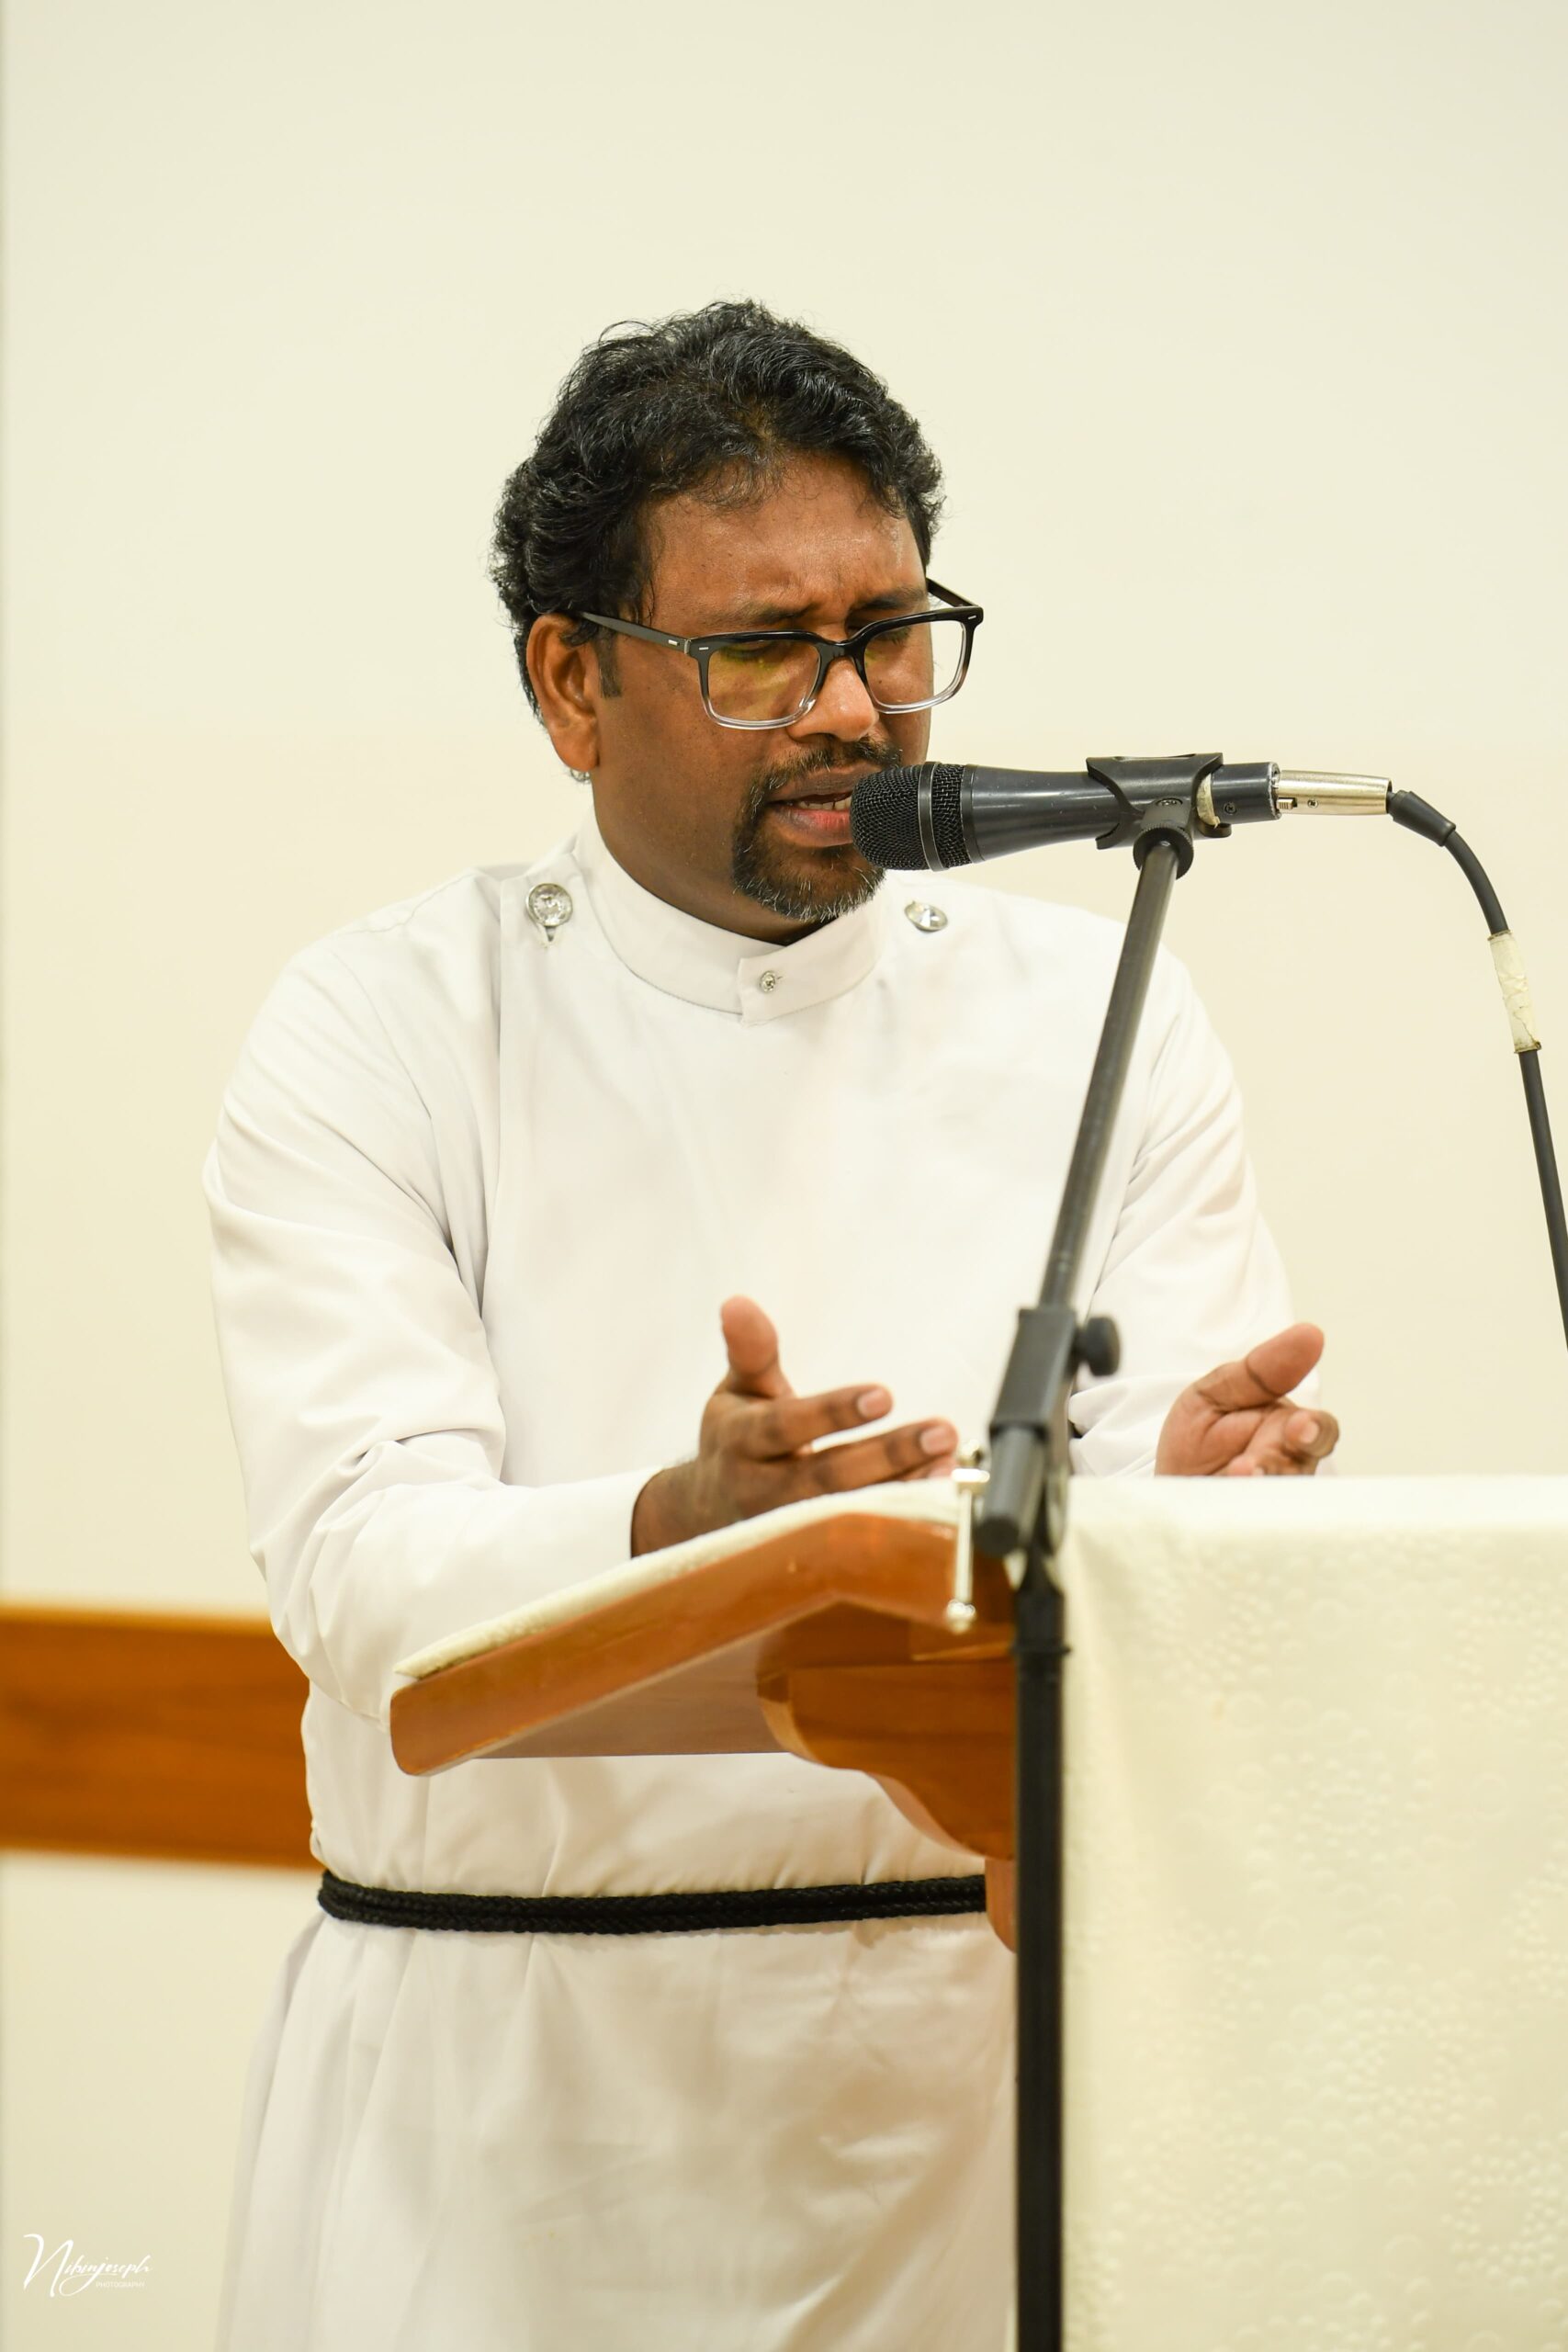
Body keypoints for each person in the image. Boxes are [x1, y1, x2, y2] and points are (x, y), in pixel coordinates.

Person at [203, 299, 1338, 2351]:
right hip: (509, 2107)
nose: (849, 709)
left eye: (890, 634)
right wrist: (674, 1528)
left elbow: (1152, 1575)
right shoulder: (383, 1026)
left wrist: (1193, 1514)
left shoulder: (1094, 1004)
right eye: (761, 652)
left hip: (974, 2083)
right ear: (572, 683)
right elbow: (360, 1581)